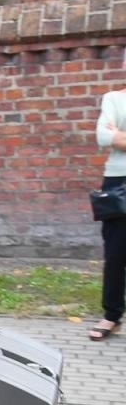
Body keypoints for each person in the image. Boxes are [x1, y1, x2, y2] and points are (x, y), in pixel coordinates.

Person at [89, 81, 126, 340]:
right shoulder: (113, 98)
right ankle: (112, 315)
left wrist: (120, 136)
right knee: (115, 253)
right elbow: (103, 137)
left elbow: (114, 137)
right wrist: (112, 136)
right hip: (118, 181)